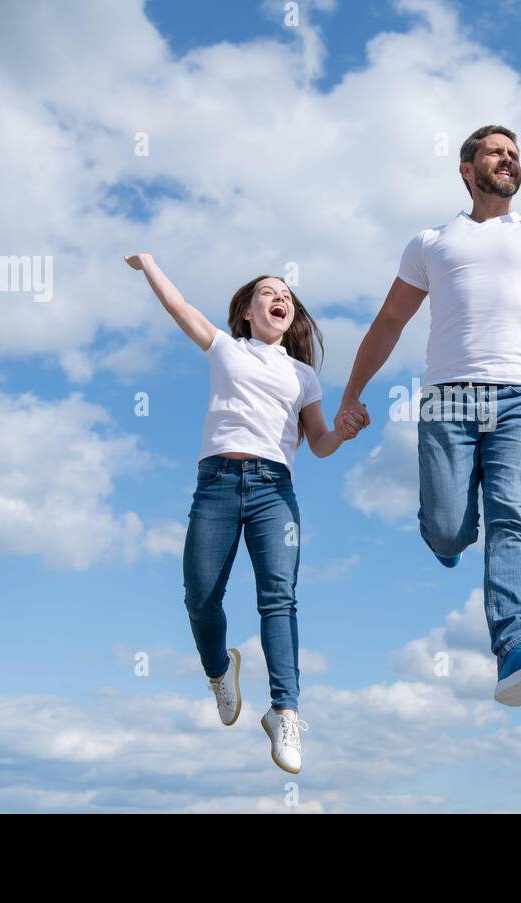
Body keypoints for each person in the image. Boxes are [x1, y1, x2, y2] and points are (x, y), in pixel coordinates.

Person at [336, 74, 521, 706]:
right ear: (467, 167)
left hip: (519, 399)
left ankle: (513, 649)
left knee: (512, 519)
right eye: (497, 151)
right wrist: (352, 394)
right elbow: (390, 321)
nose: (510, 160)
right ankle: (446, 539)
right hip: (447, 398)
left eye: (517, 154)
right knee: (449, 531)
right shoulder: (432, 243)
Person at [125, 253, 366, 773]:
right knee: (200, 596)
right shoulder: (225, 349)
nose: (280, 298)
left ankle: (285, 711)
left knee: (278, 598)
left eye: (287, 295)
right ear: (246, 314)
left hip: (272, 490)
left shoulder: (303, 375)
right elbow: (178, 306)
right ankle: (219, 671)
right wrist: (148, 263)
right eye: (268, 292)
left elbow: (319, 444)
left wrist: (342, 432)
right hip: (215, 485)